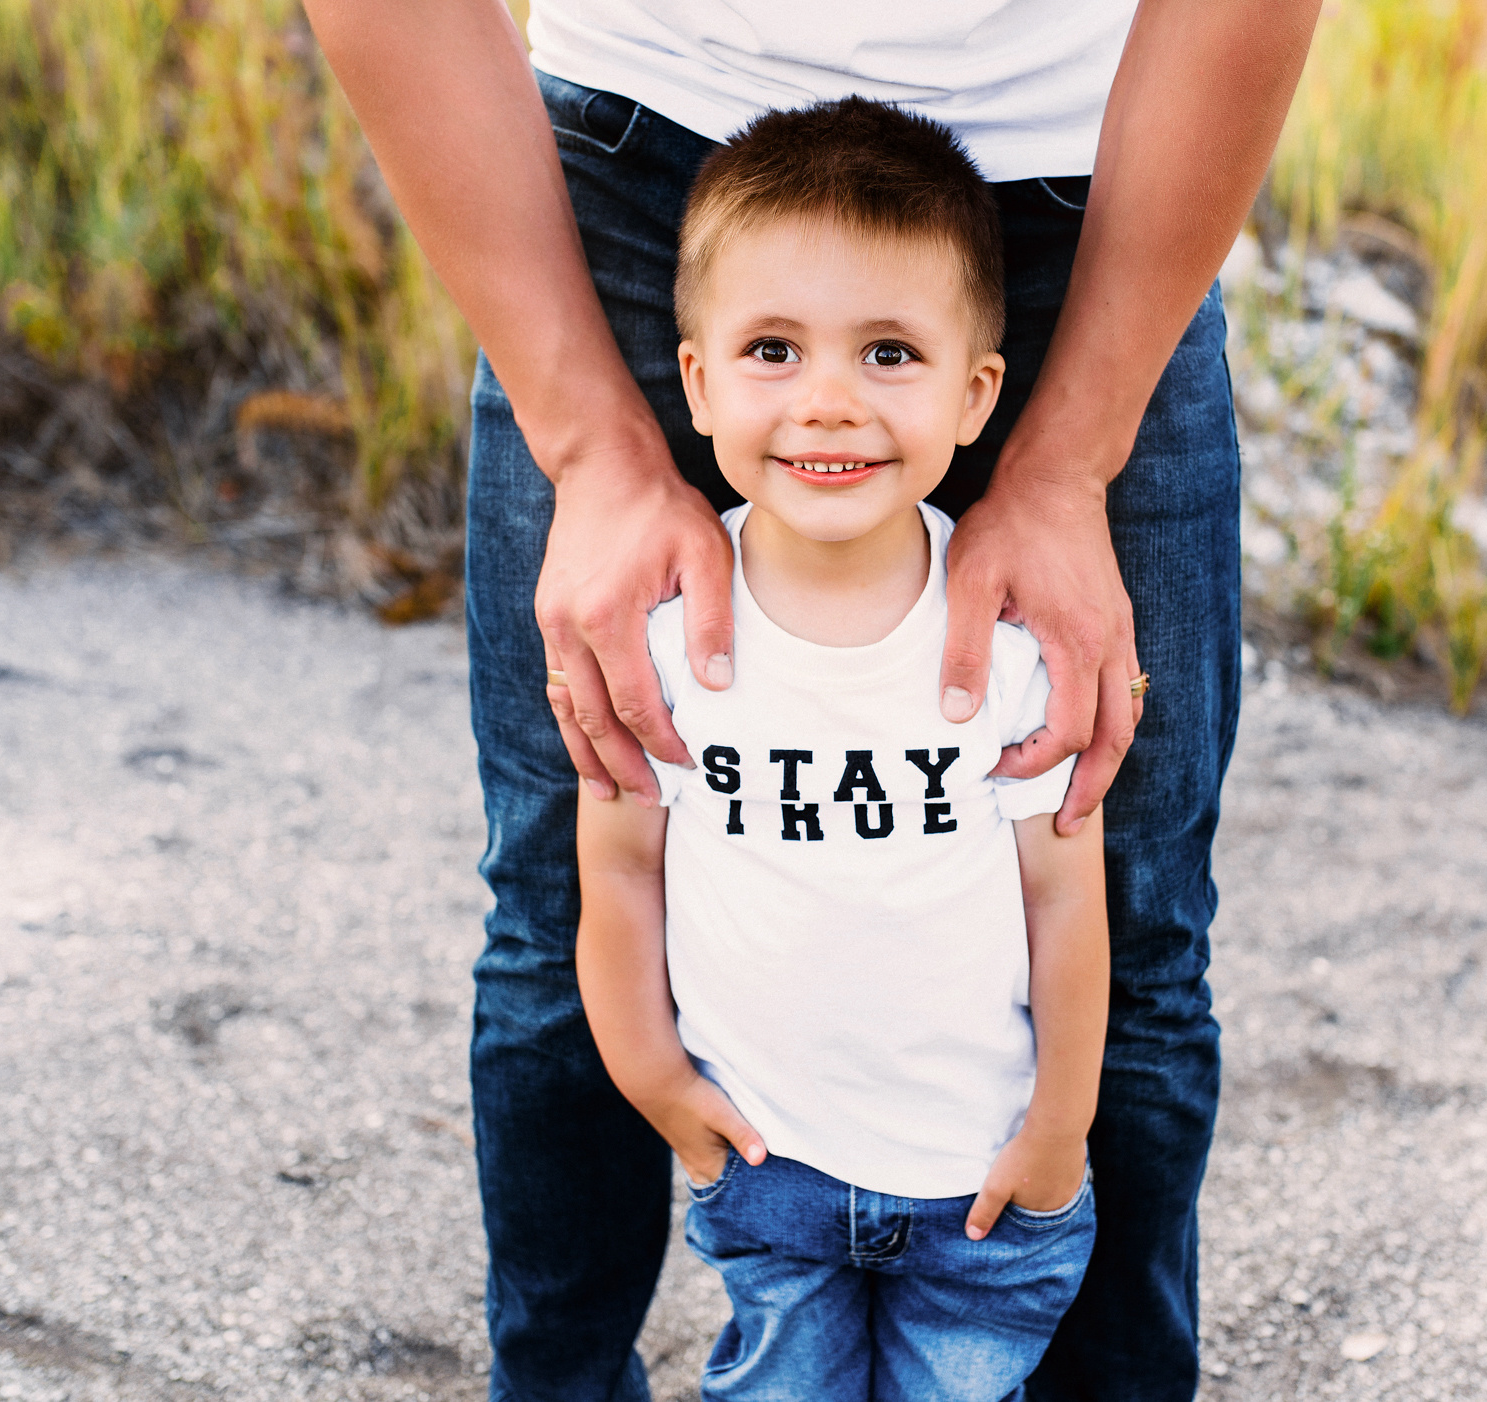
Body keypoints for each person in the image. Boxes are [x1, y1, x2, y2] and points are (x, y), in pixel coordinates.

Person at [299, 2, 1322, 1398]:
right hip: (640, 164)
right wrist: (592, 446)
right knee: (563, 902)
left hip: (1088, 178)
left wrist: (1072, 456)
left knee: (1130, 912)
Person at [575, 98, 1108, 1398]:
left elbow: (1063, 896)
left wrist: (1060, 1129)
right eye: (771, 348)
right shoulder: (655, 639)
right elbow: (620, 871)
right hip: (771, 1176)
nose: (827, 401)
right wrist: (647, 1070)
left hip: (979, 1194)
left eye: (888, 353)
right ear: (695, 378)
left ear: (977, 392)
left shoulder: (1010, 643)